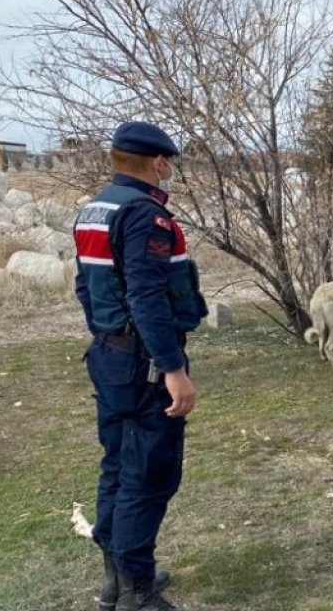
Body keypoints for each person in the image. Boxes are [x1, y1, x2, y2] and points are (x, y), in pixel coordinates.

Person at [74, 121, 207, 611]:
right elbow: (147, 295)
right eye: (168, 162)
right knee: (147, 472)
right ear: (158, 162)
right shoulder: (143, 215)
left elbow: (84, 287)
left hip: (109, 354)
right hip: (143, 361)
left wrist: (108, 334)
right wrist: (171, 367)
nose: (170, 170)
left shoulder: (95, 209)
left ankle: (119, 578)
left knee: (117, 464)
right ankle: (137, 592)